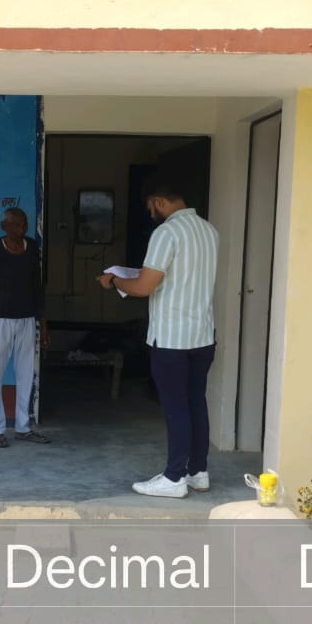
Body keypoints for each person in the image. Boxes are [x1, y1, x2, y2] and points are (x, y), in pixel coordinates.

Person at [97, 187, 218, 498]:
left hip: (171, 338)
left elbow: (143, 287)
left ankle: (174, 477)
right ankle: (198, 472)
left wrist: (113, 281)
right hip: (202, 335)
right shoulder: (209, 231)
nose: (150, 213)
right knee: (196, 402)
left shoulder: (166, 233)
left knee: (176, 407)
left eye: (151, 206)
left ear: (160, 201)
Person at [0, 207, 51, 447]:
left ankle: (23, 427)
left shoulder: (31, 249)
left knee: (26, 373)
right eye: (17, 225)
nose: (22, 229)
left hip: (26, 319)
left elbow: (37, 289)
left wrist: (43, 324)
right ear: (5, 227)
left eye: (24, 224)